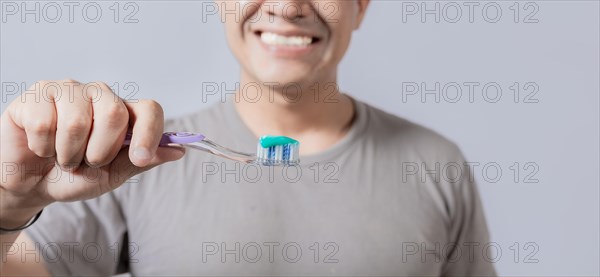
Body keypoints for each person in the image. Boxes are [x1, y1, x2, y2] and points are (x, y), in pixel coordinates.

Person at [0, 1, 496, 275]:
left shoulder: (435, 165)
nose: (287, 6)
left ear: (361, 6)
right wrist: (8, 203)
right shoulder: (134, 158)